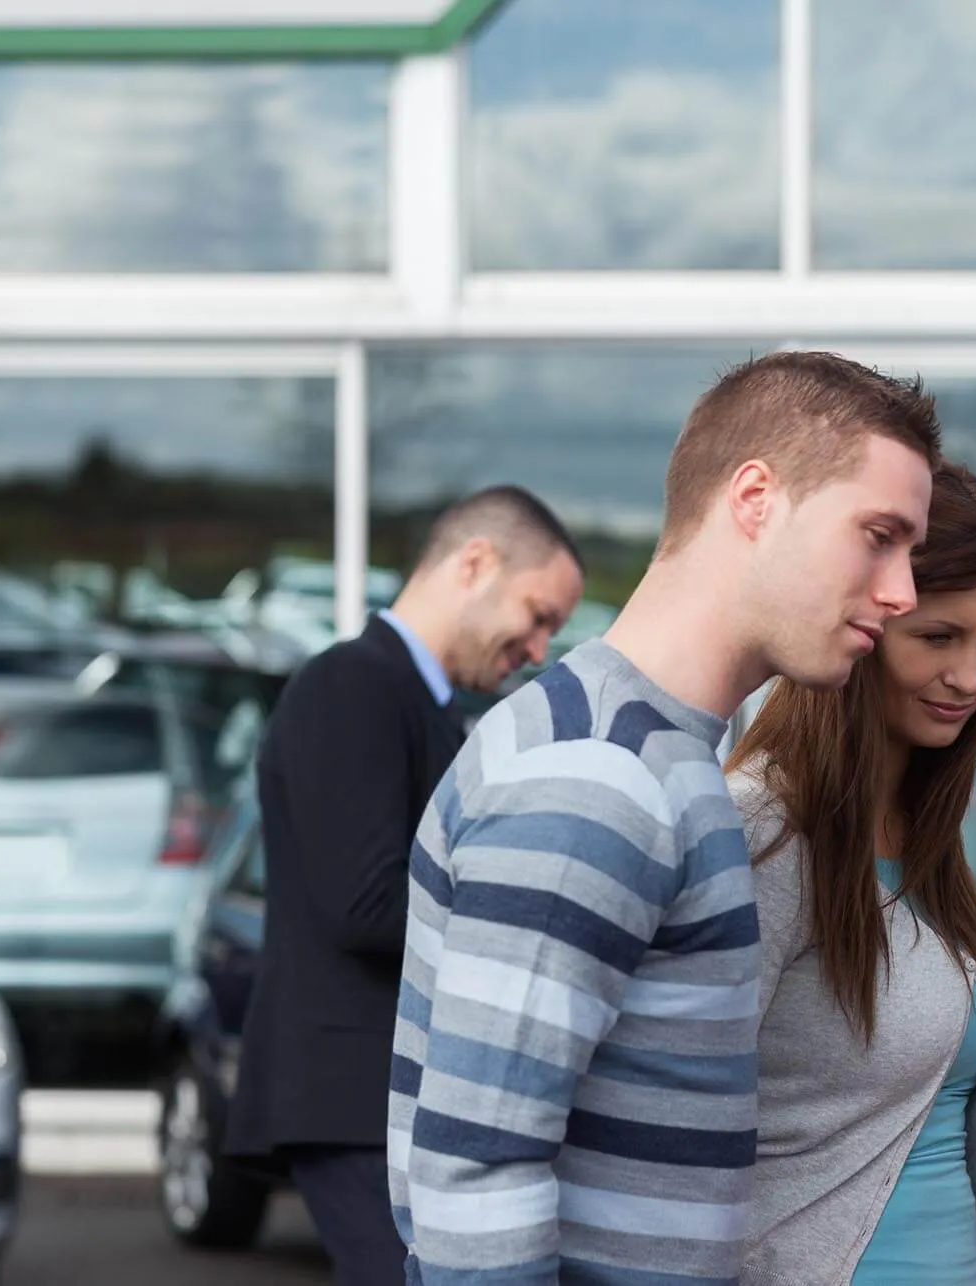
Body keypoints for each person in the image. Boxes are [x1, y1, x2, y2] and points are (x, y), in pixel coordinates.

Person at [390, 350, 942, 1285]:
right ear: (755, 499)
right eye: (877, 536)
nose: (903, 593)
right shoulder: (599, 773)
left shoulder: (653, 753)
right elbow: (477, 1173)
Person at [725, 461, 976, 1286]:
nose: (972, 677)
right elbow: (669, 1139)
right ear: (861, 623)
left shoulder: (925, 834)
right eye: (938, 637)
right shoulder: (759, 835)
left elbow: (902, 1149)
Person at [226, 484, 585, 1286]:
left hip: (378, 1097)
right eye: (537, 616)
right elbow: (365, 907)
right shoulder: (351, 684)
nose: (538, 649)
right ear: (475, 563)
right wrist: (532, 919)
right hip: (354, 1097)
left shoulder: (415, 700)